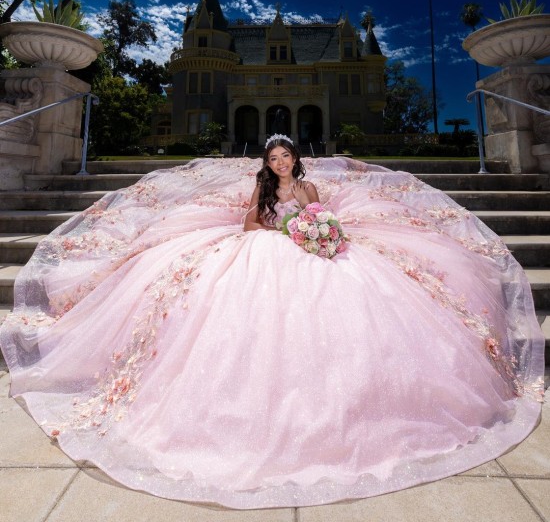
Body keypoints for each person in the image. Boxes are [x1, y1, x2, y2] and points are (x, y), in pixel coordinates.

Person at [0, 135, 545, 509]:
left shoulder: (309, 189)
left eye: (287, 157)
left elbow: (319, 216)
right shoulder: (261, 189)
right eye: (276, 158)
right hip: (268, 251)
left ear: (296, 160)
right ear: (268, 163)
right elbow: (249, 226)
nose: (282, 163)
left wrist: (316, 233)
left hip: (311, 250)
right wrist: (280, 231)